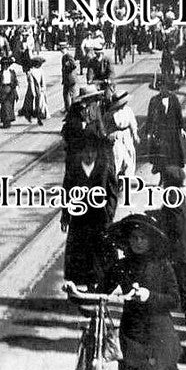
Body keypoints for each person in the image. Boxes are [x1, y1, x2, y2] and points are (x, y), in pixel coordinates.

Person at [66, 214, 186, 370]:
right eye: (134, 238)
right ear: (128, 241)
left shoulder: (163, 266)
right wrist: (76, 292)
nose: (138, 242)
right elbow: (102, 291)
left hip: (160, 336)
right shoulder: (121, 266)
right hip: (133, 335)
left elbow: (174, 300)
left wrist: (150, 296)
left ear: (151, 241)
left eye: (142, 238)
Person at [61, 87, 119, 288]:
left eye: (90, 104)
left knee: (99, 253)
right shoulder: (76, 153)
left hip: (99, 212)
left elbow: (112, 184)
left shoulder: (104, 152)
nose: (87, 108)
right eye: (84, 104)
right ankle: (85, 287)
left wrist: (110, 212)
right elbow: (68, 184)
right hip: (80, 211)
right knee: (82, 254)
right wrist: (65, 214)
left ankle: (98, 287)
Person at [154, 164, 186, 366]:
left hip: (179, 258)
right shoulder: (185, 196)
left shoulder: (170, 198)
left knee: (165, 300)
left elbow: (170, 230)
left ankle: (169, 347)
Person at [144, 81, 185, 172]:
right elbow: (150, 117)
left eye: (166, 88)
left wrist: (181, 129)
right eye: (161, 88)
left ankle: (172, 174)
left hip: (172, 132)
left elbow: (179, 115)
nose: (163, 90)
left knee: (172, 154)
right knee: (160, 155)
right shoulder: (154, 100)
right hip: (159, 132)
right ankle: (161, 175)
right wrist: (148, 132)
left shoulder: (174, 99)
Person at [106, 91, 141, 179]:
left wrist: (135, 134)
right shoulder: (110, 114)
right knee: (117, 159)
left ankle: (127, 180)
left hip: (127, 136)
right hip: (116, 138)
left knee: (129, 158)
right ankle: (116, 181)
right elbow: (106, 128)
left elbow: (133, 123)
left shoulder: (128, 110)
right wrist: (109, 136)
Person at [0, 57, 19, 128]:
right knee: (5, 106)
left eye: (6, 64)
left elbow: (15, 82)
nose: (5, 66)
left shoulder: (12, 72)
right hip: (3, 90)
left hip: (11, 90)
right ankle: (5, 121)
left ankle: (9, 120)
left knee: (10, 106)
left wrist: (16, 90)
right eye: (3, 64)